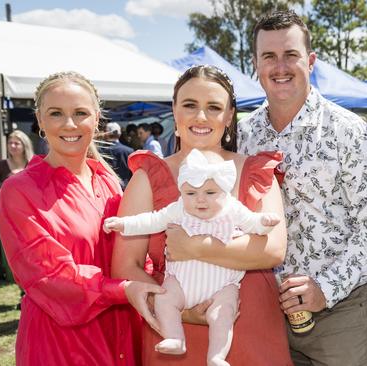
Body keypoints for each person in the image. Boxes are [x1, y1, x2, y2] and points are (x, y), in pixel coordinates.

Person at [239, 10, 367, 365]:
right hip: (261, 310)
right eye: (269, 56)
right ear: (256, 65)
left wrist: (325, 288)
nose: (280, 66)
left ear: (310, 61)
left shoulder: (348, 131)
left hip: (338, 316)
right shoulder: (243, 136)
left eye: (290, 54)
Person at [111, 65, 293, 365]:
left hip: (248, 321)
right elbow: (124, 265)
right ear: (174, 109)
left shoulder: (256, 171)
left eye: (213, 107)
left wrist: (194, 246)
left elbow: (273, 249)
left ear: (229, 115)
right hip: (175, 331)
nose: (201, 117)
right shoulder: (148, 176)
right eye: (190, 105)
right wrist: (179, 309)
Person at [0, 71, 164, 365]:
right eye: (56, 113)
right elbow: (49, 276)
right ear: (40, 119)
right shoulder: (20, 190)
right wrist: (124, 289)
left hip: (123, 331)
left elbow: (133, 252)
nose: (69, 124)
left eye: (80, 113)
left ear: (96, 119)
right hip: (61, 342)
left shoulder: (108, 181)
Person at [104, 149, 281, 363]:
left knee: (223, 314)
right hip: (181, 282)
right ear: (182, 193)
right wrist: (123, 224)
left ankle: (216, 356)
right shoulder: (178, 209)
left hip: (223, 284)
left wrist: (265, 222)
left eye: (210, 193)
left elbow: (254, 223)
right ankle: (175, 338)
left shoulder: (232, 209)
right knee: (164, 299)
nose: (200, 200)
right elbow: (150, 221)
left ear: (224, 192)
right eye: (191, 193)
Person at [0, 130, 34, 206]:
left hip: (29, 208)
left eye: (16, 143)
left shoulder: (34, 166)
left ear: (25, 146)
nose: (12, 146)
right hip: (6, 208)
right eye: (10, 143)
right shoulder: (0, 165)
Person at [101, 122, 134, 188]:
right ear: (119, 134)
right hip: (125, 188)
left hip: (106, 188)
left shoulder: (99, 151)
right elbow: (133, 173)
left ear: (106, 134)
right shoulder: (129, 151)